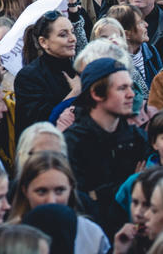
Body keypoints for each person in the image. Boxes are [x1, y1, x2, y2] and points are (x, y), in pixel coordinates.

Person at [62, 57, 149, 230]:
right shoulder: (71, 143)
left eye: (130, 87)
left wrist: (98, 193)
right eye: (122, 88)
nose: (131, 94)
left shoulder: (138, 138)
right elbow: (78, 201)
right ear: (96, 93)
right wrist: (129, 183)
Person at [14, 11, 78, 135]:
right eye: (63, 35)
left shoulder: (77, 68)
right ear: (43, 42)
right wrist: (75, 93)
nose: (73, 39)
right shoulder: (28, 77)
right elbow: (39, 125)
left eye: (72, 32)